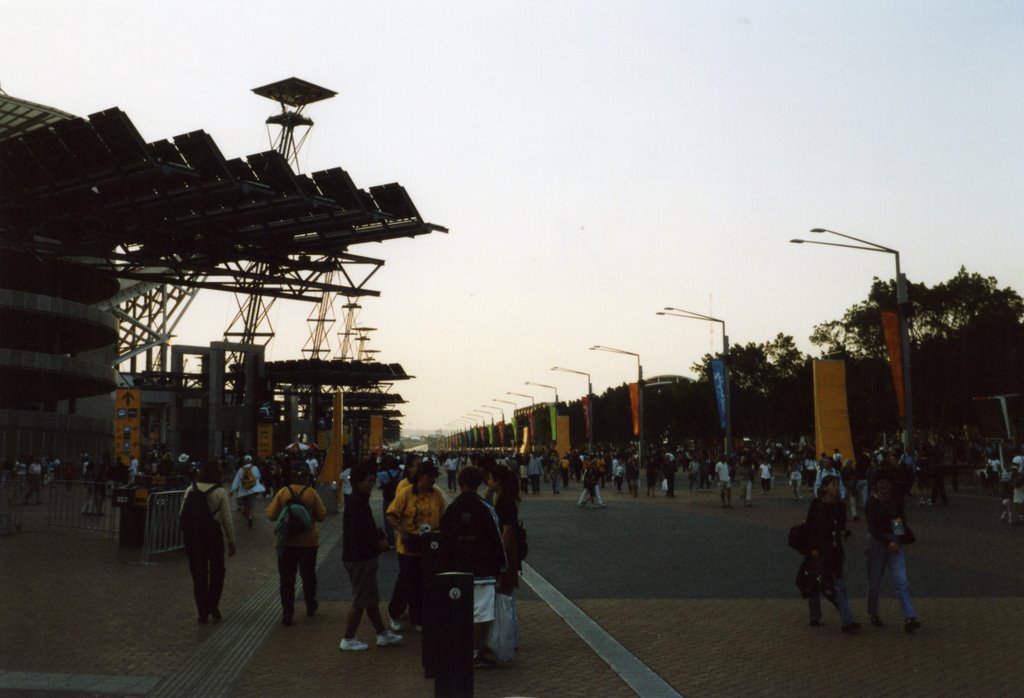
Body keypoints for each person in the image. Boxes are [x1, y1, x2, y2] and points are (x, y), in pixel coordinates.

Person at [440, 464, 506, 667]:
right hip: (483, 570)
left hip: (457, 570)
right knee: (482, 613)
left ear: (460, 484)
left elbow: (444, 539)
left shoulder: (451, 509)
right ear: (479, 483)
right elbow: (497, 540)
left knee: (460, 611)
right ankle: (475, 651)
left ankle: (460, 648)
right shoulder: (486, 508)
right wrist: (501, 568)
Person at [339, 463, 404, 650]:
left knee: (370, 599)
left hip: (360, 556)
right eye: (368, 480)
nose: (371, 484)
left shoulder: (358, 500)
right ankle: (348, 638)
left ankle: (382, 634)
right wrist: (379, 545)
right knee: (361, 600)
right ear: (358, 481)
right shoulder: (357, 502)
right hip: (360, 558)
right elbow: (359, 534)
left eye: (373, 480)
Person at [385, 460, 446, 632]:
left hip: (428, 545)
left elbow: (443, 517)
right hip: (408, 544)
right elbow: (390, 514)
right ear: (422, 476)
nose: (433, 481)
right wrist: (402, 531)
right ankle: (394, 613)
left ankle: (418, 617)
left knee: (422, 583)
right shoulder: (406, 493)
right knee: (406, 581)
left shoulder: (437, 495)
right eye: (431, 477)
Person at [266, 461, 327, 626]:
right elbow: (322, 515)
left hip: (285, 542)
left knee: (286, 579)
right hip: (308, 542)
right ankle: (310, 604)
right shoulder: (312, 493)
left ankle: (287, 613)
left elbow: (271, 515)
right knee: (308, 575)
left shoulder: (283, 492)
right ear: (307, 476)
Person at [800, 475, 860, 632]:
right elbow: (810, 527)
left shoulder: (840, 506)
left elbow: (840, 525)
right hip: (818, 550)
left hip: (834, 550)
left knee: (839, 585)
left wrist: (844, 533)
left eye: (837, 484)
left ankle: (847, 621)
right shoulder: (817, 504)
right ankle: (815, 615)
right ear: (824, 487)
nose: (836, 487)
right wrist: (812, 548)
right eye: (833, 484)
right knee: (815, 583)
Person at [180, 458, 236, 623]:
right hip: (213, 534)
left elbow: (182, 513)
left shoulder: (191, 488)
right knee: (218, 570)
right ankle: (213, 604)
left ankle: (202, 610)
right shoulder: (220, 492)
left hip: (194, 536)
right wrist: (231, 541)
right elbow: (227, 519)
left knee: (198, 572)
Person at [864, 469, 921, 633]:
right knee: (874, 582)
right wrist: (888, 542)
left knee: (901, 580)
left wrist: (899, 531)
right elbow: (873, 528)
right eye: (880, 482)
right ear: (876, 484)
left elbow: (900, 518)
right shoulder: (871, 503)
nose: (884, 485)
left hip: (894, 541)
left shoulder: (895, 500)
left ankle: (909, 616)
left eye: (886, 482)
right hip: (877, 543)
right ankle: (873, 612)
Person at [230, 455, 266, 528]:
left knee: (246, 505)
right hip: (253, 489)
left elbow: (237, 480)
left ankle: (247, 519)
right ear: (251, 460)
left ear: (244, 461)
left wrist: (232, 490)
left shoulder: (241, 469)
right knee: (252, 504)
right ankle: (250, 517)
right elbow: (258, 477)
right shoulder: (255, 468)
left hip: (244, 490)